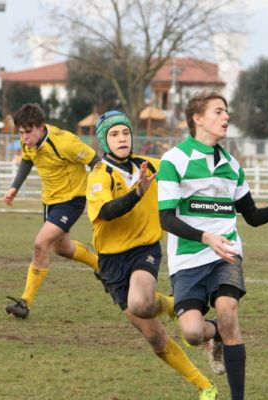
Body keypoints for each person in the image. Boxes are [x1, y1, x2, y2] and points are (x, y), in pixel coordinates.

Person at [157, 90, 268, 400]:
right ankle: (214, 335)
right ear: (197, 119)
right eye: (218, 111)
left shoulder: (232, 165)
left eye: (226, 111)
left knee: (229, 312)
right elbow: (166, 219)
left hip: (226, 254)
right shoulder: (174, 160)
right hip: (188, 260)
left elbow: (251, 216)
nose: (226, 117)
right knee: (193, 333)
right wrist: (205, 237)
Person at [86, 111, 219, 400]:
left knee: (141, 302)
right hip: (110, 262)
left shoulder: (154, 166)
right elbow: (107, 212)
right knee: (154, 337)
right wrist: (137, 192)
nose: (121, 138)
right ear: (103, 141)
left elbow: (185, 170)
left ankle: (170, 308)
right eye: (114, 134)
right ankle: (205, 385)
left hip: (143, 250)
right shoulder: (99, 175)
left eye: (125, 132)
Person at [4, 103, 103, 318]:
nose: (24, 137)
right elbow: (27, 160)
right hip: (50, 201)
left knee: (41, 243)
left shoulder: (66, 143)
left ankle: (25, 302)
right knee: (62, 248)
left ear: (41, 126)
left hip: (72, 200)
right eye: (20, 132)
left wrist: (100, 192)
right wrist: (14, 187)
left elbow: (97, 162)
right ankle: (100, 266)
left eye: (28, 132)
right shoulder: (28, 142)